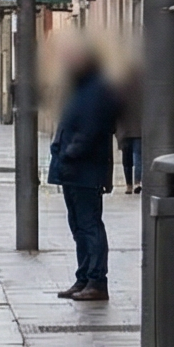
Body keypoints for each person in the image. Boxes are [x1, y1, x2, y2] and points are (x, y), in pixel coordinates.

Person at [47, 44, 123, 301]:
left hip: (85, 170)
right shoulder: (80, 89)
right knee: (79, 225)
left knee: (89, 225)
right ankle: (83, 278)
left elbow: (90, 130)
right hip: (74, 170)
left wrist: (69, 154)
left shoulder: (96, 90)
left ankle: (96, 281)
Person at [114, 59, 145, 196]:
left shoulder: (120, 89)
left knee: (127, 159)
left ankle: (129, 185)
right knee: (137, 157)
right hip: (138, 129)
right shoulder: (141, 90)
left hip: (124, 130)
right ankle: (138, 182)